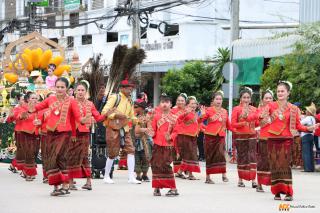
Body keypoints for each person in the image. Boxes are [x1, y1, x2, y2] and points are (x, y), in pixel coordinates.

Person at [27, 77, 84, 196]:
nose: (59, 89)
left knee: (59, 156)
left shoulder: (71, 101)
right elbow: (37, 108)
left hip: (64, 133)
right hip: (51, 133)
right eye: (57, 87)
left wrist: (83, 120)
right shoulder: (50, 99)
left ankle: (65, 184)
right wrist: (32, 106)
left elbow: (77, 117)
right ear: (54, 87)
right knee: (51, 158)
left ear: (67, 88)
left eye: (62, 87)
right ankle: (57, 186)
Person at [264, 81, 317, 201]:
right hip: (272, 139)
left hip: (286, 139)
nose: (280, 93)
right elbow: (261, 120)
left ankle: (288, 192)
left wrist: (309, 128)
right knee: (275, 166)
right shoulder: (270, 106)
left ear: (288, 93)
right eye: (278, 91)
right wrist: (263, 118)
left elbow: (298, 126)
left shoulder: (293, 108)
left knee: (284, 165)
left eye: (282, 91)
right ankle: (277, 192)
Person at [68, 80, 107, 190]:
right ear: (75, 91)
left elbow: (98, 117)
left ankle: (89, 182)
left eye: (82, 90)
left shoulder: (90, 104)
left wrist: (107, 114)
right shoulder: (71, 102)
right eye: (78, 90)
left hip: (85, 133)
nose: (80, 92)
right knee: (71, 157)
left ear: (86, 92)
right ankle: (70, 182)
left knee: (85, 157)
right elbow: (70, 119)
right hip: (73, 134)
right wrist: (73, 134)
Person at [101, 79, 140, 184]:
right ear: (121, 88)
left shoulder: (130, 100)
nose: (130, 90)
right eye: (128, 87)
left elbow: (131, 116)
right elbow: (105, 112)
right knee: (112, 153)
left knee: (131, 150)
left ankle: (131, 177)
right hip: (113, 128)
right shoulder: (115, 97)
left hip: (125, 128)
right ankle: (106, 176)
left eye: (131, 88)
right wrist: (116, 115)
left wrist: (138, 121)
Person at [148, 93, 179, 196]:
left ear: (170, 104)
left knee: (165, 165)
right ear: (160, 104)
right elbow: (153, 130)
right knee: (155, 165)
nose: (164, 104)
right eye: (162, 102)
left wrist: (171, 137)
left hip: (168, 145)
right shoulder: (156, 117)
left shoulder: (174, 118)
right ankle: (157, 188)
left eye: (166, 102)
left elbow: (176, 131)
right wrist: (150, 132)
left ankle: (173, 188)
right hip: (157, 144)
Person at [200, 91, 231, 184]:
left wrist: (238, 130)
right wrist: (202, 122)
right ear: (213, 100)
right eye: (217, 99)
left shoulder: (225, 111)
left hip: (221, 136)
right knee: (210, 156)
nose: (219, 101)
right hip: (210, 136)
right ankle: (208, 177)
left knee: (221, 154)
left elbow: (229, 125)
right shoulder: (208, 110)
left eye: (220, 99)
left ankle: (224, 174)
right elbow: (199, 121)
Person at [231, 87, 258, 188]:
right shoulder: (236, 109)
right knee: (242, 157)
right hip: (241, 136)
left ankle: (253, 180)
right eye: (244, 97)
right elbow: (233, 124)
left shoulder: (255, 110)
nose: (246, 99)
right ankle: (240, 179)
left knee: (252, 157)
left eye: (248, 97)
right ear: (241, 99)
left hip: (252, 135)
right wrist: (244, 122)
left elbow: (257, 123)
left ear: (250, 99)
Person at [173, 96, 201, 180]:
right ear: (187, 104)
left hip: (192, 136)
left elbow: (195, 123)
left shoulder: (194, 113)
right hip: (185, 135)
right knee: (190, 155)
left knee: (190, 155)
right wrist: (185, 113)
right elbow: (178, 120)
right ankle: (189, 174)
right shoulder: (185, 111)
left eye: (195, 103)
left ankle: (181, 172)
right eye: (192, 103)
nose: (194, 105)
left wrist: (202, 116)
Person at [16, 92, 41, 181]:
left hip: (37, 133)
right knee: (29, 153)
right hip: (25, 133)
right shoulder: (24, 107)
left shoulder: (40, 108)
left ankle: (26, 170)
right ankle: (30, 173)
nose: (34, 100)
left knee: (35, 152)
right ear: (28, 99)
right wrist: (21, 116)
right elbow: (18, 117)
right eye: (32, 98)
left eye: (36, 98)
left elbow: (43, 118)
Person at [256, 89, 273, 192]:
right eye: (266, 98)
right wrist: (264, 119)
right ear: (263, 100)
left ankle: (274, 184)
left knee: (274, 162)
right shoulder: (260, 110)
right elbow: (257, 123)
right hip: (264, 139)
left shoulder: (277, 109)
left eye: (270, 98)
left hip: (275, 139)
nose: (268, 100)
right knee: (263, 162)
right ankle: (259, 184)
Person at [133, 99, 152, 182]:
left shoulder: (147, 117)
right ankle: (138, 175)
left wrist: (142, 130)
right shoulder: (133, 117)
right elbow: (134, 131)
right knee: (136, 158)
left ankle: (144, 175)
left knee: (145, 158)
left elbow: (150, 129)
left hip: (144, 141)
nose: (134, 108)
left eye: (136, 107)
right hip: (134, 141)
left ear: (142, 108)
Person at [171, 93, 187, 178]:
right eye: (178, 100)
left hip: (186, 134)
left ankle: (184, 170)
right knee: (176, 152)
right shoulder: (172, 111)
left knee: (186, 152)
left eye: (182, 101)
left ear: (185, 102)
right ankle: (177, 170)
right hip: (176, 134)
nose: (180, 102)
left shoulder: (188, 110)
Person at [301, 103, 316, 172]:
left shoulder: (307, 118)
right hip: (311, 136)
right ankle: (311, 168)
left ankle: (307, 168)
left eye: (307, 110)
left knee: (306, 152)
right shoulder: (313, 118)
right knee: (310, 152)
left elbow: (300, 123)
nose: (306, 111)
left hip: (305, 135)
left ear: (309, 112)